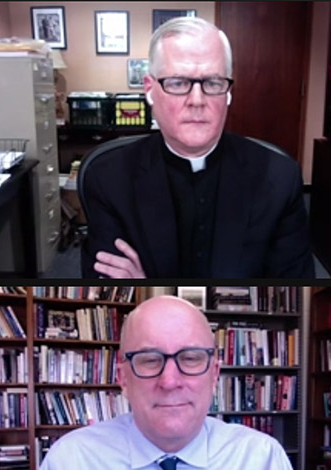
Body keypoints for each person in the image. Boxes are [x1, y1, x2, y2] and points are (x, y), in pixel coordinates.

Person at [0, 295, 329, 470]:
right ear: (123, 378)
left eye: (190, 358)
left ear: (214, 374)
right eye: (149, 359)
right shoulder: (69, 461)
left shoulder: (263, 458)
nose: (170, 381)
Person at [81, 17, 313, 279]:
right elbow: (105, 277)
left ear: (228, 93)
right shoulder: (108, 178)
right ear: (149, 90)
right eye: (178, 83)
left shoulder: (280, 178)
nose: (197, 100)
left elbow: (293, 280)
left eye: (212, 83)